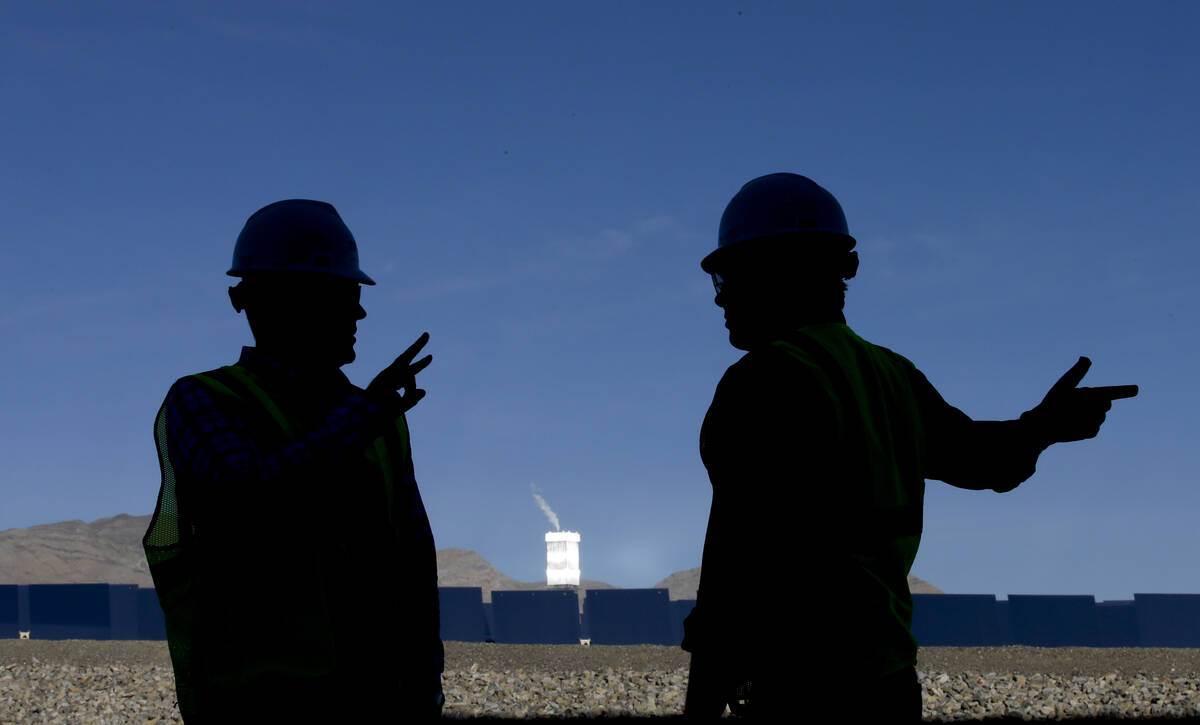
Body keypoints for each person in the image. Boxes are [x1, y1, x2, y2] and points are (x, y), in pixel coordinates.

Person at [681, 173, 1138, 721]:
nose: (722, 298)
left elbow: (734, 564)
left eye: (730, 275)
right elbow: (985, 461)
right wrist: (1043, 426)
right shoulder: (892, 377)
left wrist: (701, 708)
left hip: (799, 689)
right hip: (889, 685)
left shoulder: (764, 382)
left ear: (777, 270)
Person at [143, 199, 443, 721]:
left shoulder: (379, 423)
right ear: (286, 301)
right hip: (258, 705)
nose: (360, 312)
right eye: (345, 295)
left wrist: (424, 687)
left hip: (378, 704)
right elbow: (248, 503)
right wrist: (359, 420)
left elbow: (413, 567)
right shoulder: (205, 401)